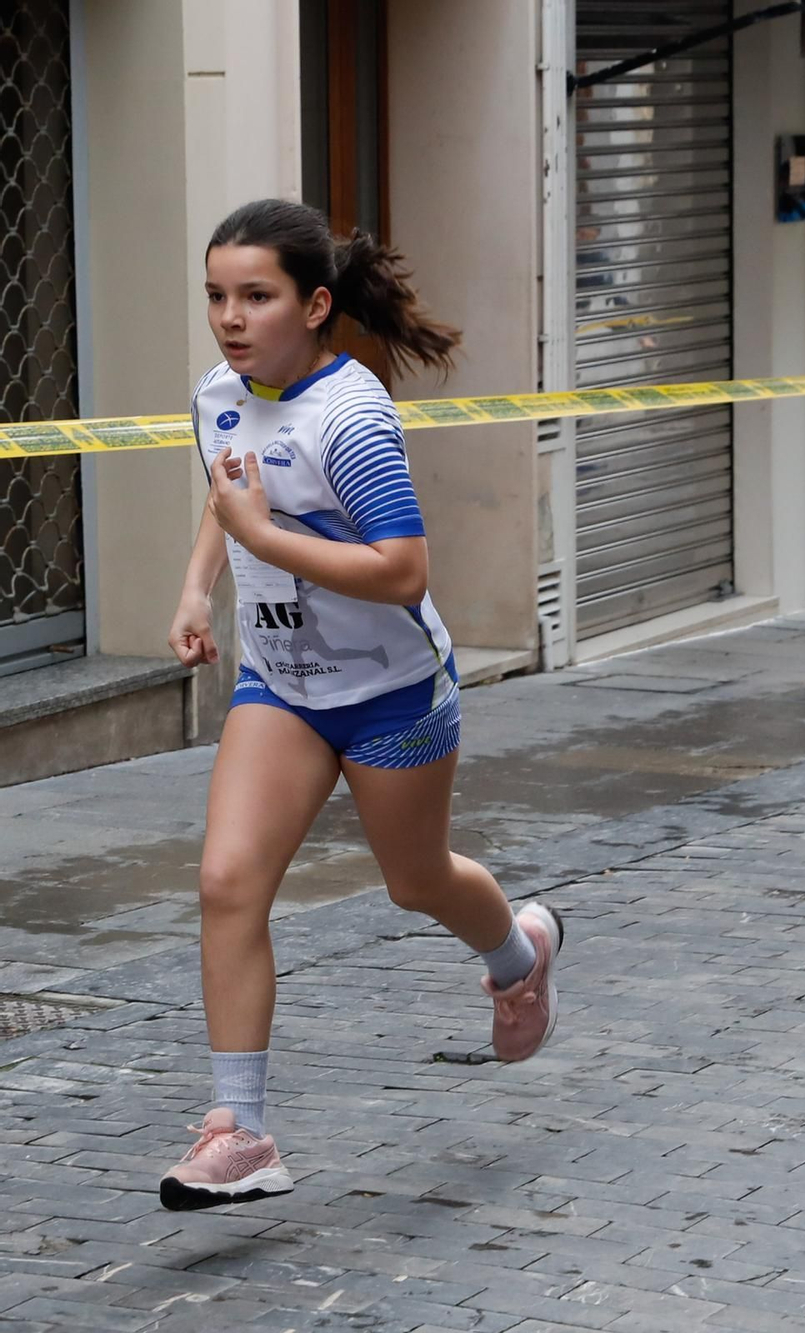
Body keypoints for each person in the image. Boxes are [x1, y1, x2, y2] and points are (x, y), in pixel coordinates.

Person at [159, 200, 565, 1211]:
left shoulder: (352, 414)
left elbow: (399, 569)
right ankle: (240, 1129)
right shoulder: (217, 391)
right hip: (282, 684)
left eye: (256, 296)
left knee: (416, 881)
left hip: (389, 691)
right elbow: (229, 494)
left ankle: (520, 958)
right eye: (217, 295)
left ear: (316, 303)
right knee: (226, 880)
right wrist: (196, 586)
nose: (231, 317)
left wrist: (261, 532)